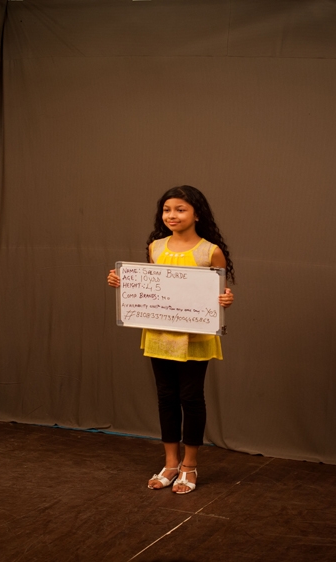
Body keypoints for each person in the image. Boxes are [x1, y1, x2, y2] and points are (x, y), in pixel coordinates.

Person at [107, 185, 235, 494]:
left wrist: (226, 299)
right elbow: (152, 287)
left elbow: (218, 293)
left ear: (196, 214)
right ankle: (170, 462)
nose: (172, 215)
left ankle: (190, 465)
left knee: (190, 398)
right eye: (167, 210)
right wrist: (122, 283)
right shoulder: (156, 247)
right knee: (166, 397)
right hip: (159, 333)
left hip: (195, 337)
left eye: (180, 209)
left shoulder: (210, 251)